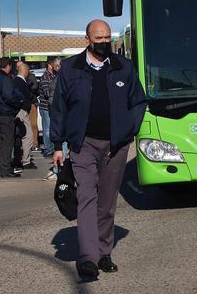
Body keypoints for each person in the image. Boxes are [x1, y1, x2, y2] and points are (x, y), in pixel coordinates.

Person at [50, 19, 146, 280]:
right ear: (87, 39)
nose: (104, 43)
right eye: (99, 38)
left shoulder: (123, 67)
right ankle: (88, 258)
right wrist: (58, 145)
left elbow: (138, 101)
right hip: (84, 144)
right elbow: (59, 107)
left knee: (107, 201)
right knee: (87, 198)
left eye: (107, 38)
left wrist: (131, 129)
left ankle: (104, 252)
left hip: (116, 145)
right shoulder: (71, 68)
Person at [0, 57, 24, 179]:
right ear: (7, 66)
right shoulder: (5, 79)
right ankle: (5, 169)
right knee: (7, 142)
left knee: (1, 142)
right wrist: (18, 103)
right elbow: (9, 96)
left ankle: (1, 167)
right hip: (5, 112)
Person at [38, 56, 62, 177]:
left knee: (50, 128)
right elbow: (47, 93)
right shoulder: (46, 77)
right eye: (56, 65)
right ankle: (49, 149)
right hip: (45, 107)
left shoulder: (54, 77)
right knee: (47, 129)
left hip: (50, 107)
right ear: (50, 65)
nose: (58, 68)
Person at [15, 61, 37, 170]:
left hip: (22, 111)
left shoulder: (18, 81)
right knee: (28, 136)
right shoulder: (19, 82)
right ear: (26, 71)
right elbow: (20, 96)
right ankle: (26, 160)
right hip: (22, 111)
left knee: (23, 135)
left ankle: (22, 158)